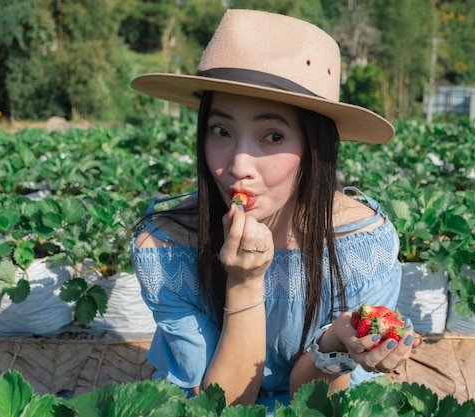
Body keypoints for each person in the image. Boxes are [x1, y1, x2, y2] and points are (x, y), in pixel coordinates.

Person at [130, 8, 421, 412]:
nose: (238, 165)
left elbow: (314, 405)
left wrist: (336, 343)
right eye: (221, 131)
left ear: (314, 148)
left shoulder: (361, 245)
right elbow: (219, 407)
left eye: (272, 136)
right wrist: (244, 282)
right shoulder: (166, 248)